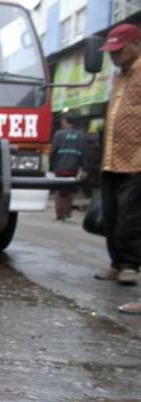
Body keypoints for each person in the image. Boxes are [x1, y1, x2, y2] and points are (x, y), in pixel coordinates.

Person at [94, 24, 141, 287]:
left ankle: (130, 265)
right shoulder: (117, 77)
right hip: (112, 159)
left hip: (137, 160)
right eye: (111, 52)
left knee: (130, 216)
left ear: (136, 44)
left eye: (119, 51)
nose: (114, 56)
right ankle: (116, 262)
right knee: (110, 216)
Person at [50, 114, 87, 221]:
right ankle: (67, 212)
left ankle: (60, 213)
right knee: (69, 190)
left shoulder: (58, 134)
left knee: (59, 189)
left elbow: (53, 152)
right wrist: (85, 169)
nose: (62, 123)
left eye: (62, 121)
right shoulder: (81, 135)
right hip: (74, 167)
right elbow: (85, 153)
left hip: (60, 166)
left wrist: (52, 165)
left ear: (66, 122)